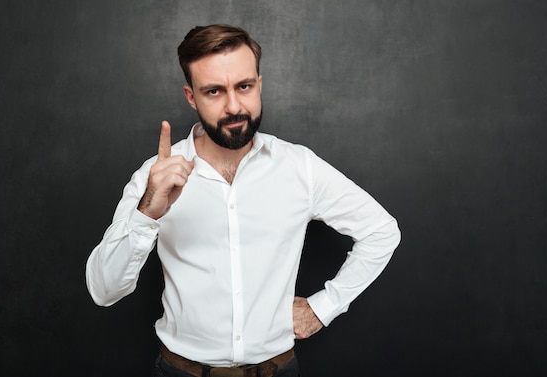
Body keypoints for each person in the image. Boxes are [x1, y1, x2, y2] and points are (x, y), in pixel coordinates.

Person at [86, 24, 401, 377]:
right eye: (214, 91)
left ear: (259, 84)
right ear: (192, 97)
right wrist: (148, 213)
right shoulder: (155, 176)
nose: (234, 106)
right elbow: (103, 290)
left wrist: (324, 306)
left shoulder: (299, 167)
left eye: (244, 87)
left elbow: (382, 231)